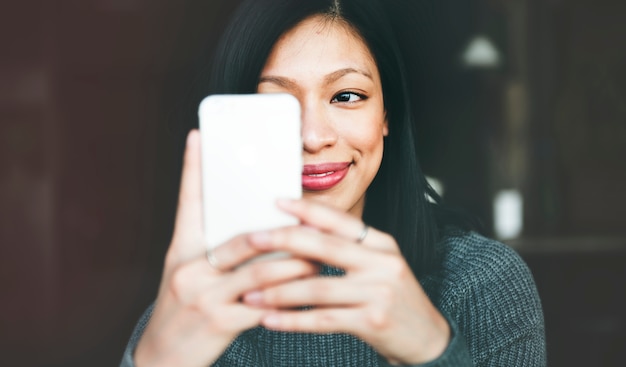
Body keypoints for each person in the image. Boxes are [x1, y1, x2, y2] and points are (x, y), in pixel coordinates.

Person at [121, 0, 546, 366]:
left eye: (346, 96)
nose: (312, 137)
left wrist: (432, 350)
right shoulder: (195, 306)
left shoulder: (481, 283)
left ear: (386, 116)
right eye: (277, 103)